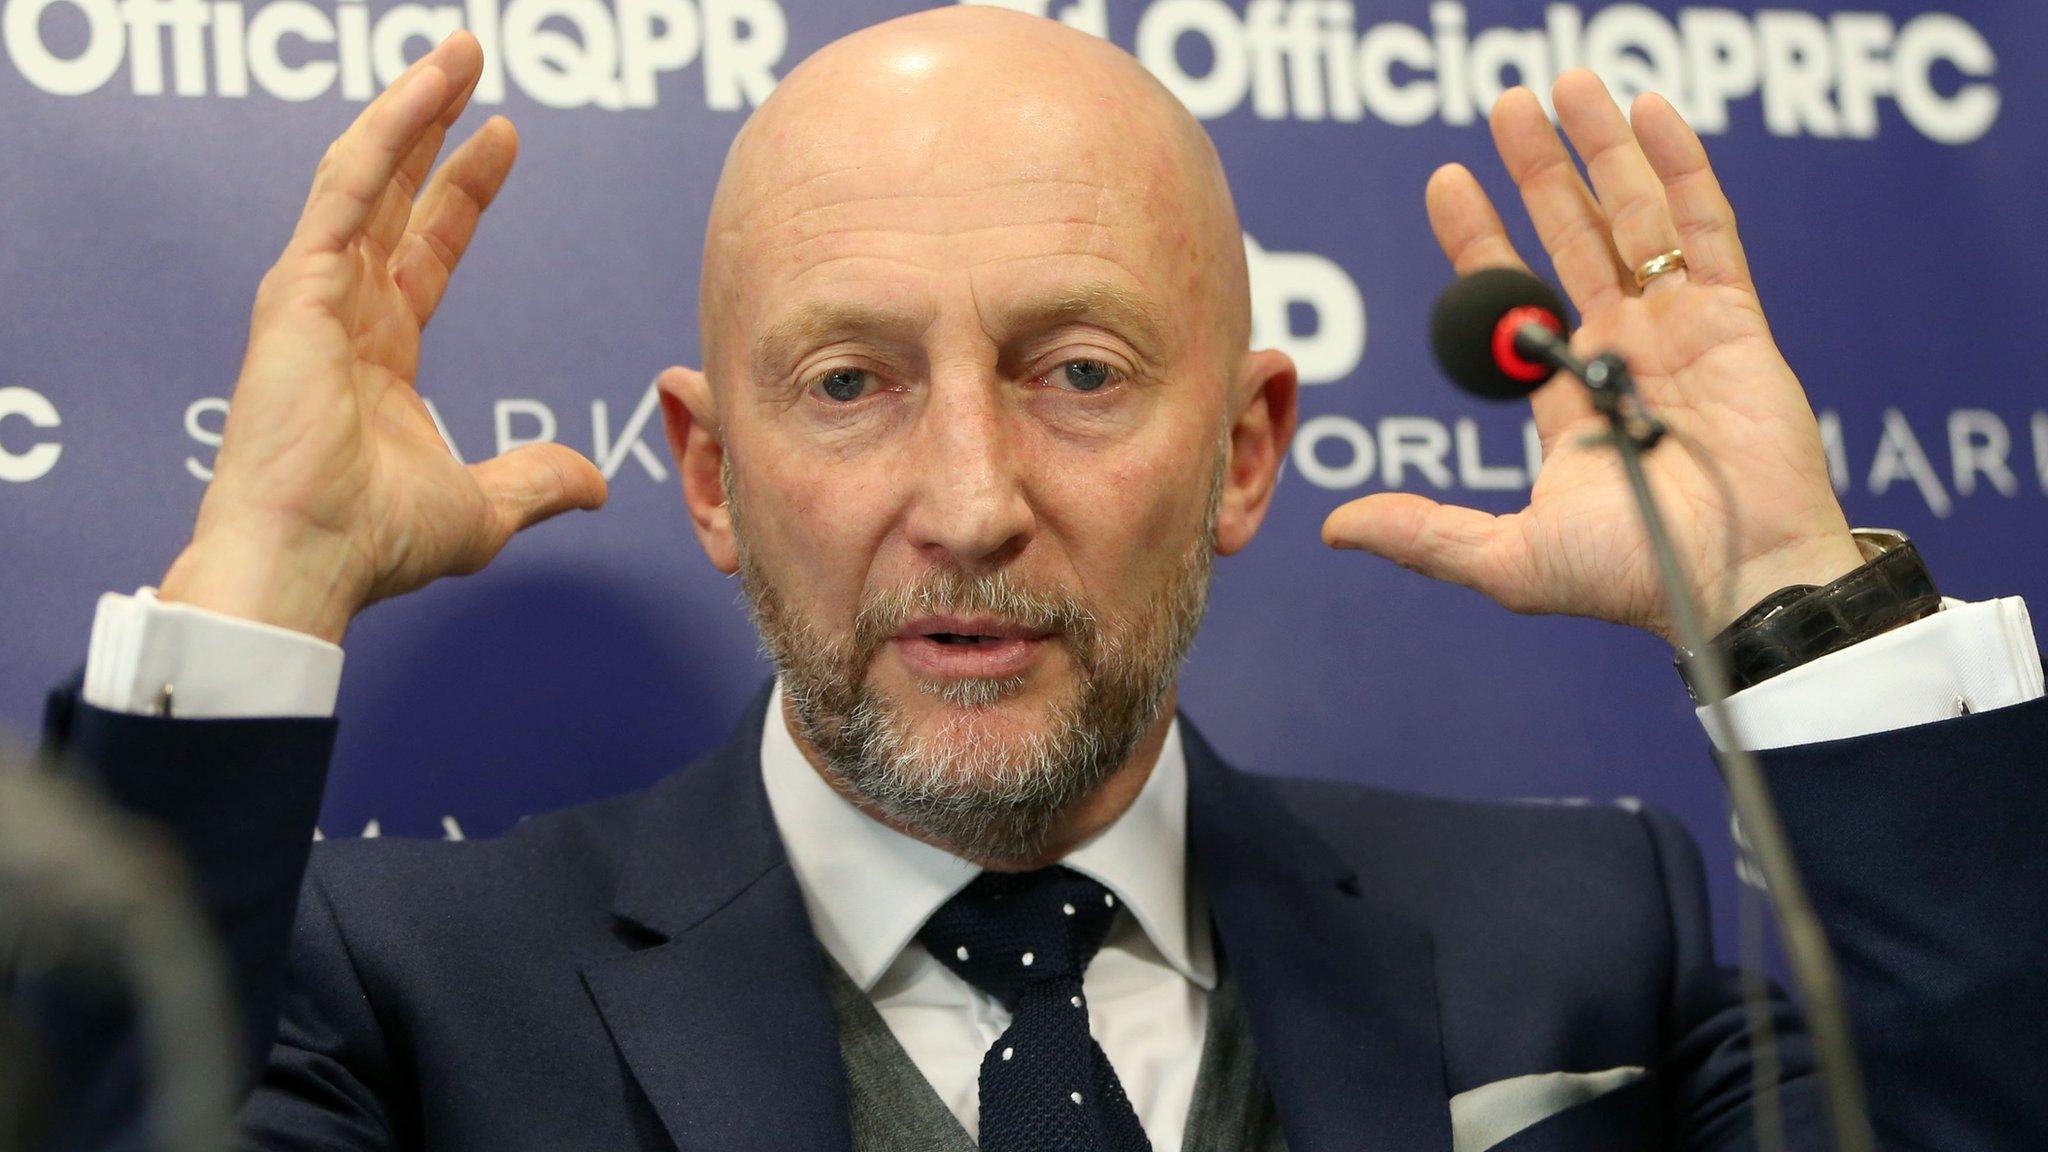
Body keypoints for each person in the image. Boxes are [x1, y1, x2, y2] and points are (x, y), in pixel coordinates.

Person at [30, 8, 2047, 1151]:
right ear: (713, 478)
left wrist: (1793, 589)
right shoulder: (397, 997)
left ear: (1245, 449)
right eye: (850, 386)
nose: (972, 498)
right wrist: (264, 574)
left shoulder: (1577, 936)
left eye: (1078, 374)